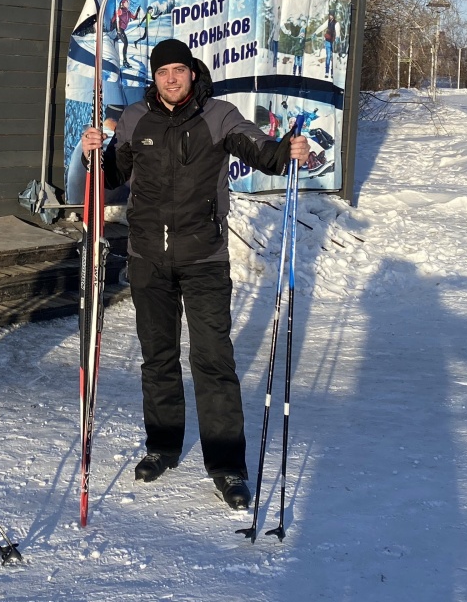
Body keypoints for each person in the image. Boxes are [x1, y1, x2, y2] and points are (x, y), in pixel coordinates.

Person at [80, 39, 307, 511]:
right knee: (157, 358)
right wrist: (93, 155)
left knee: (213, 362)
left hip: (204, 258)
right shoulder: (135, 119)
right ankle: (162, 446)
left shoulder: (219, 116)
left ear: (191, 72)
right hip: (147, 258)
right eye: (163, 72)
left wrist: (288, 149)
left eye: (179, 70)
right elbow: (112, 175)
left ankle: (227, 465)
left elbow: (262, 151)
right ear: (154, 76)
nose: (171, 79)